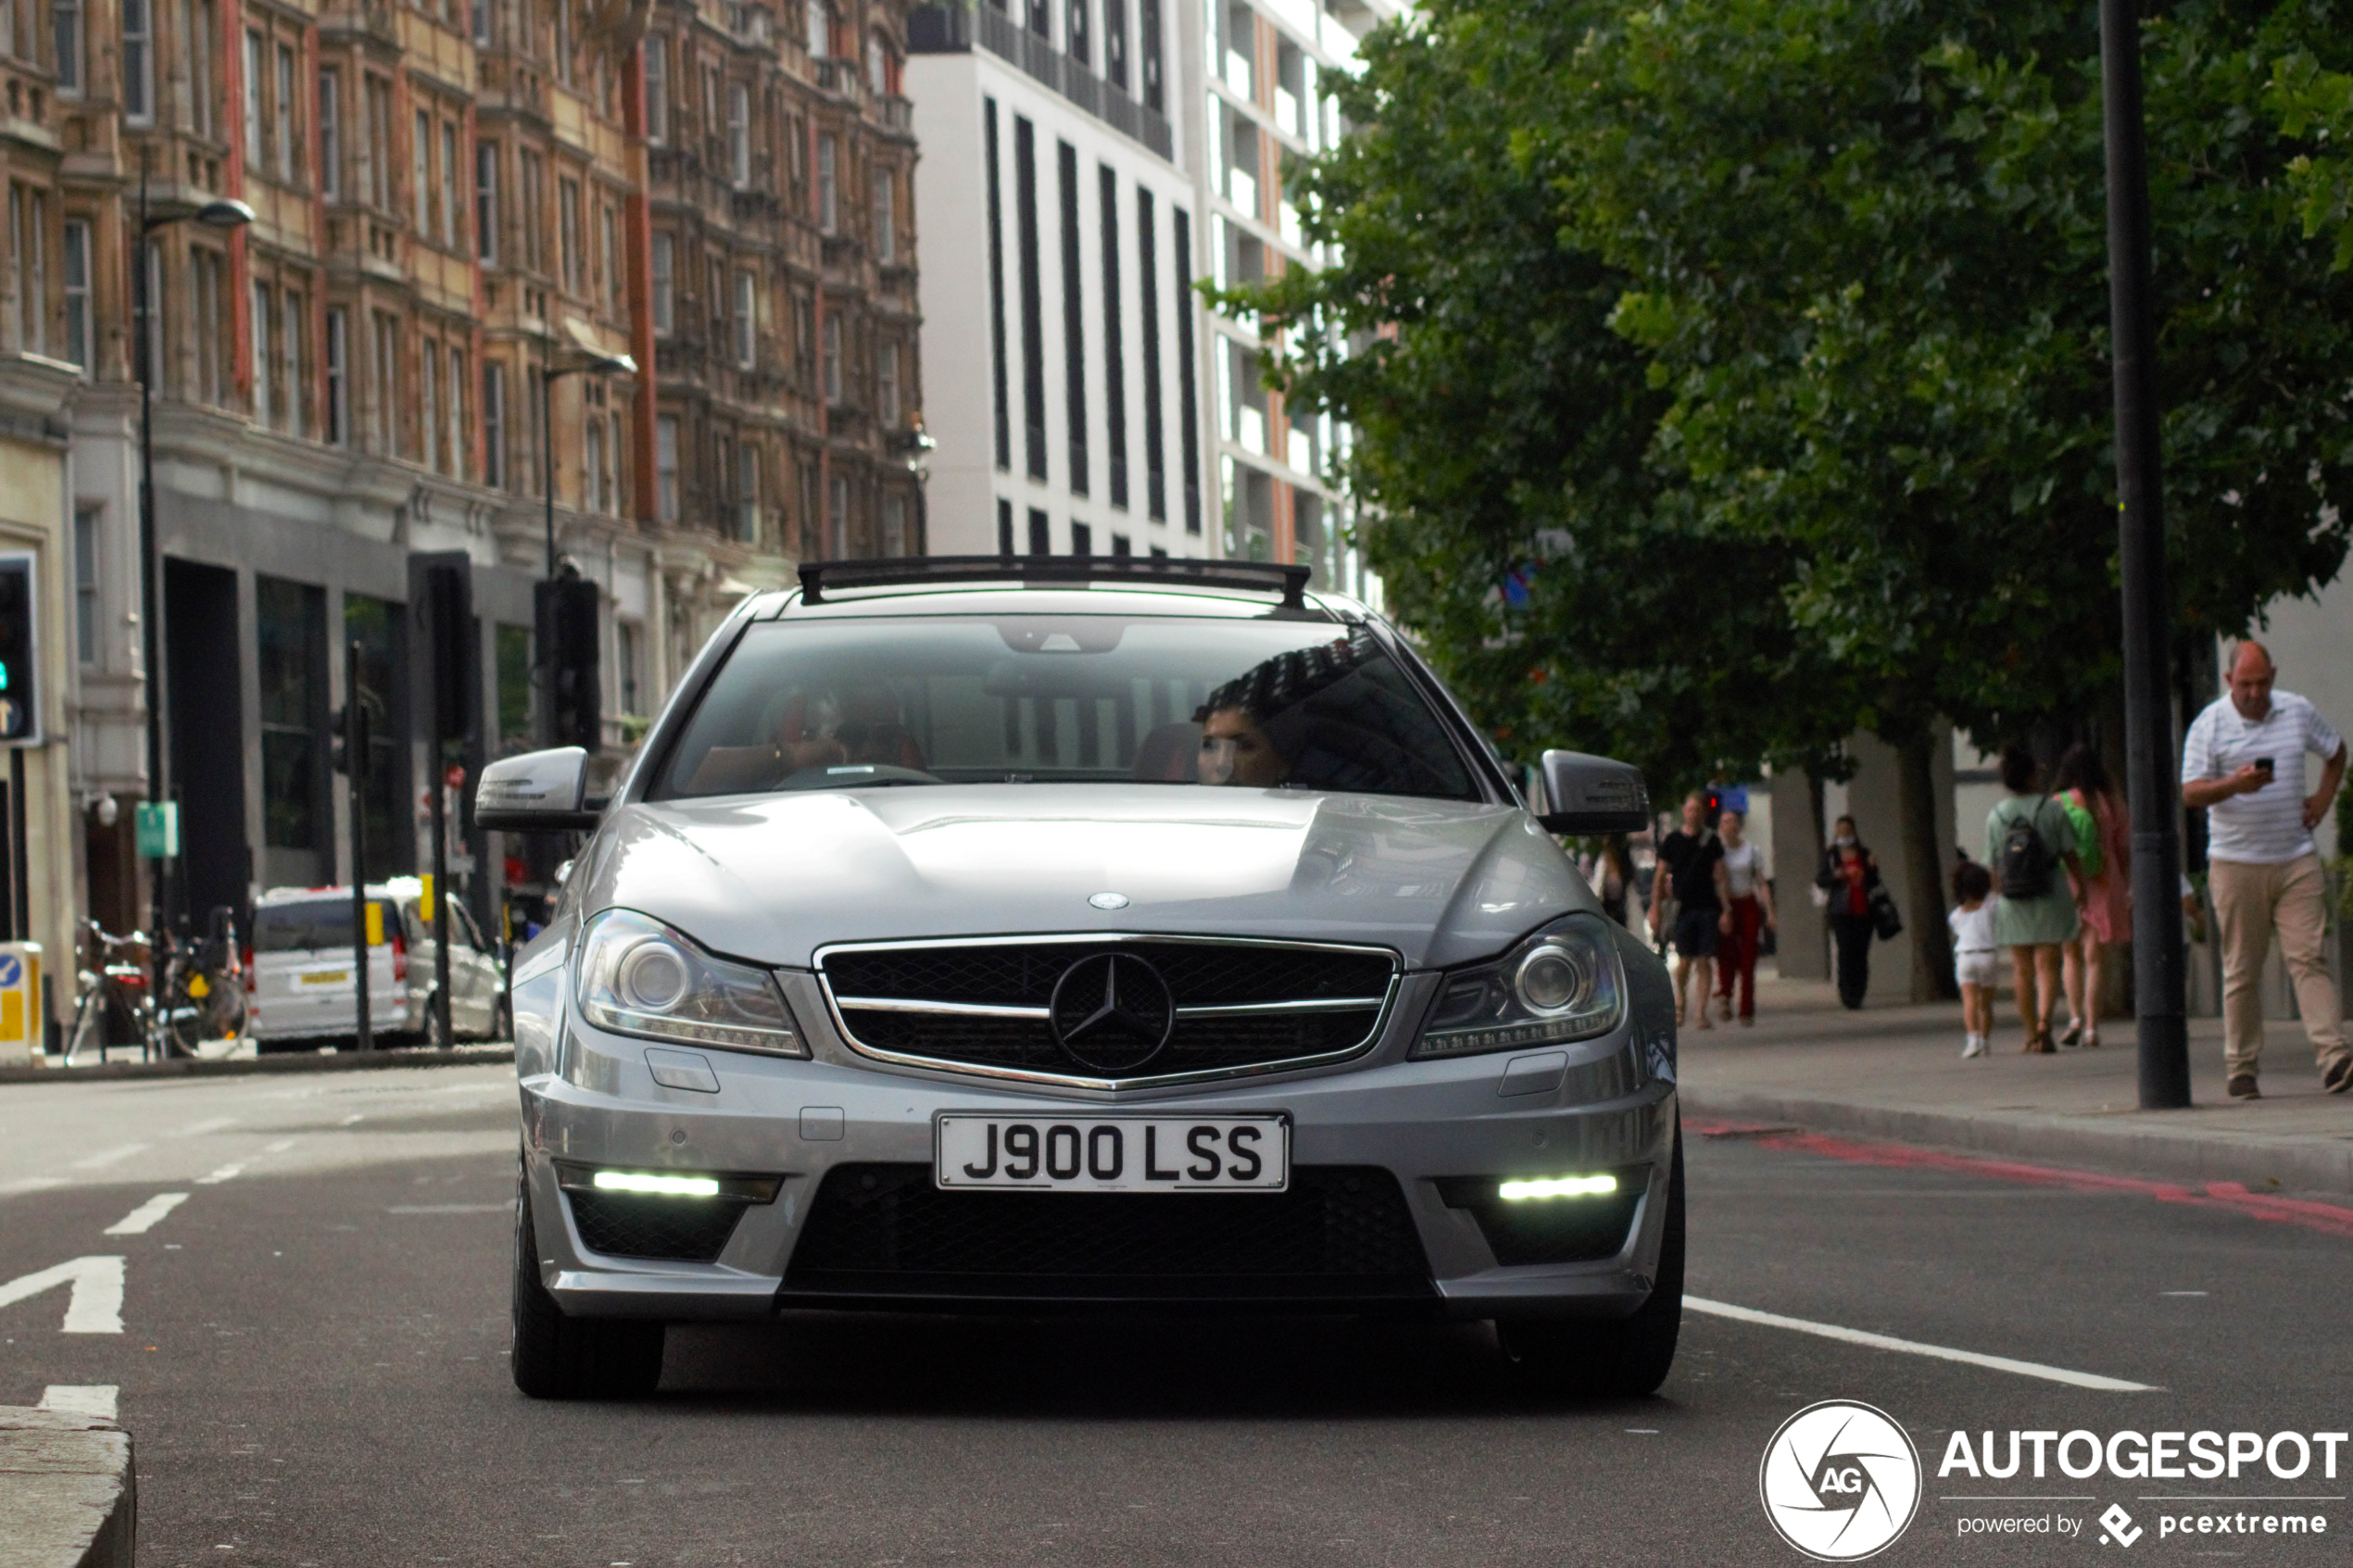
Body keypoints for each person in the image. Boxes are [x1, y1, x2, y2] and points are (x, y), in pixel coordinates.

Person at [2180, 640, 2352, 1099]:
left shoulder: (2296, 711)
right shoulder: (2209, 725)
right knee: (2242, 968)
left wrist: (2322, 800)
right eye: (2245, 685)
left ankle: (2334, 1057)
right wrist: (2234, 785)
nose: (2255, 694)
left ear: (2273, 676)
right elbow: (2191, 793)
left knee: (2309, 957)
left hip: (2294, 856)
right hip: (2236, 862)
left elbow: (2337, 753)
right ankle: (2242, 1067)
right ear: (2228, 682)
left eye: (2262, 683)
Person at [1987, 745, 2085, 1053]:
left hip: (2014, 896)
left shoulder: (1996, 816)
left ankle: (2030, 1033)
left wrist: (2001, 892)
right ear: (2031, 777)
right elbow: (2070, 854)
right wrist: (2079, 886)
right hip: (2049, 890)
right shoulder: (2052, 809)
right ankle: (2045, 1022)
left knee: (2021, 968)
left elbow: (1992, 864)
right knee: (2047, 963)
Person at [2052, 743, 2131, 1049]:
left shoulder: (2058, 802)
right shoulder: (2108, 801)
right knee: (2095, 958)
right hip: (2103, 879)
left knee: (2069, 955)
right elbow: (2124, 843)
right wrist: (2122, 877)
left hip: (2068, 881)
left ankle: (2073, 1019)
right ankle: (2092, 1028)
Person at [1650, 792, 1728, 1028]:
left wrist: (1727, 910)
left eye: (1698, 810)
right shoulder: (1672, 840)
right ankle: (1680, 1000)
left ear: (1704, 813)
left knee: (1704, 960)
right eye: (1690, 809)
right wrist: (1655, 908)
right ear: (1684, 812)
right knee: (1684, 961)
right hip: (1682, 909)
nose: (1694, 814)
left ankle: (1700, 1013)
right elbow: (1660, 875)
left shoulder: (1711, 841)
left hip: (1707, 908)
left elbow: (1721, 877)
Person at [1712, 809, 1777, 1024]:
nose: (1729, 825)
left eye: (1732, 821)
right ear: (1721, 827)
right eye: (1725, 822)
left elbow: (1760, 882)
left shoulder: (1751, 850)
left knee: (1748, 954)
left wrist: (1769, 911)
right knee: (1726, 952)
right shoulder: (1718, 852)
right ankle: (1725, 996)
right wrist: (1723, 909)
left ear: (1738, 825)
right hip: (1727, 904)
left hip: (1747, 902)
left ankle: (1747, 1008)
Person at [1816, 815, 1881, 1010]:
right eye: (1840, 831)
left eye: (1847, 831)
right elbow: (1821, 880)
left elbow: (1874, 881)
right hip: (1841, 910)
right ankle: (1847, 993)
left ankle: (1859, 992)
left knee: (1861, 952)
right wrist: (1838, 875)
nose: (1844, 835)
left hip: (1863, 909)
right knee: (1845, 951)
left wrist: (1871, 867)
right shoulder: (1832, 855)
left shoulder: (1863, 853)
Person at [1949, 859, 1998, 1059]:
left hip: (1965, 958)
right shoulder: (1991, 908)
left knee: (1969, 1000)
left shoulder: (1956, 914)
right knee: (1985, 1004)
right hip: (1987, 955)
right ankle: (1985, 1042)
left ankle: (1972, 1039)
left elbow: (1957, 930)